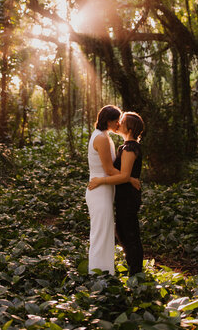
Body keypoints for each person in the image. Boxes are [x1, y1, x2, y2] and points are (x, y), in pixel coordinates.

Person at [85, 105, 140, 275]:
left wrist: (125, 176)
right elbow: (109, 169)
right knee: (100, 233)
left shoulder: (105, 136)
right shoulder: (101, 138)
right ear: (108, 121)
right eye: (116, 121)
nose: (118, 124)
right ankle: (97, 273)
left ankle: (105, 271)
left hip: (106, 189)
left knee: (106, 233)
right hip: (99, 189)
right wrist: (129, 178)